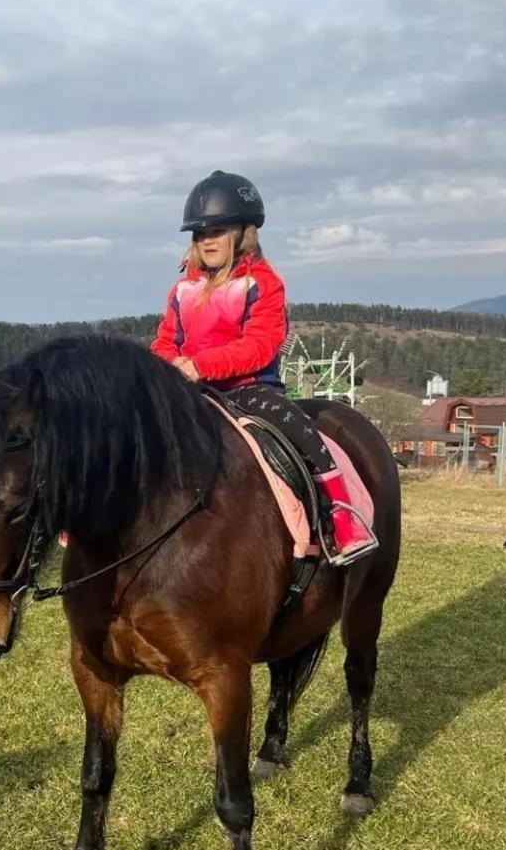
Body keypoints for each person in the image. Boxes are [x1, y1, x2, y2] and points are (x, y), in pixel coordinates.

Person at [150, 170, 376, 565]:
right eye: (200, 233)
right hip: (186, 387)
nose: (208, 240)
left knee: (302, 433)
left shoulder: (263, 283)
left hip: (246, 387)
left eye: (217, 230)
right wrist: (165, 366)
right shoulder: (181, 289)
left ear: (242, 233)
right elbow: (166, 339)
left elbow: (260, 345)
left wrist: (199, 366)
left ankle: (342, 516)